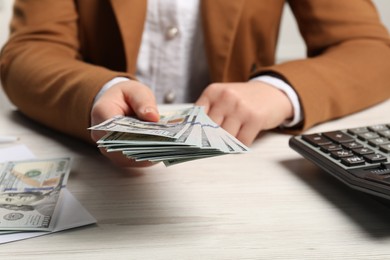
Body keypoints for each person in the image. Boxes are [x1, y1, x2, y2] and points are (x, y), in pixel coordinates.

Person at [1, 0, 390, 167]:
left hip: (244, 167)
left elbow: (372, 49)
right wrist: (98, 92)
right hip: (99, 167)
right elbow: (29, 50)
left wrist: (278, 90)